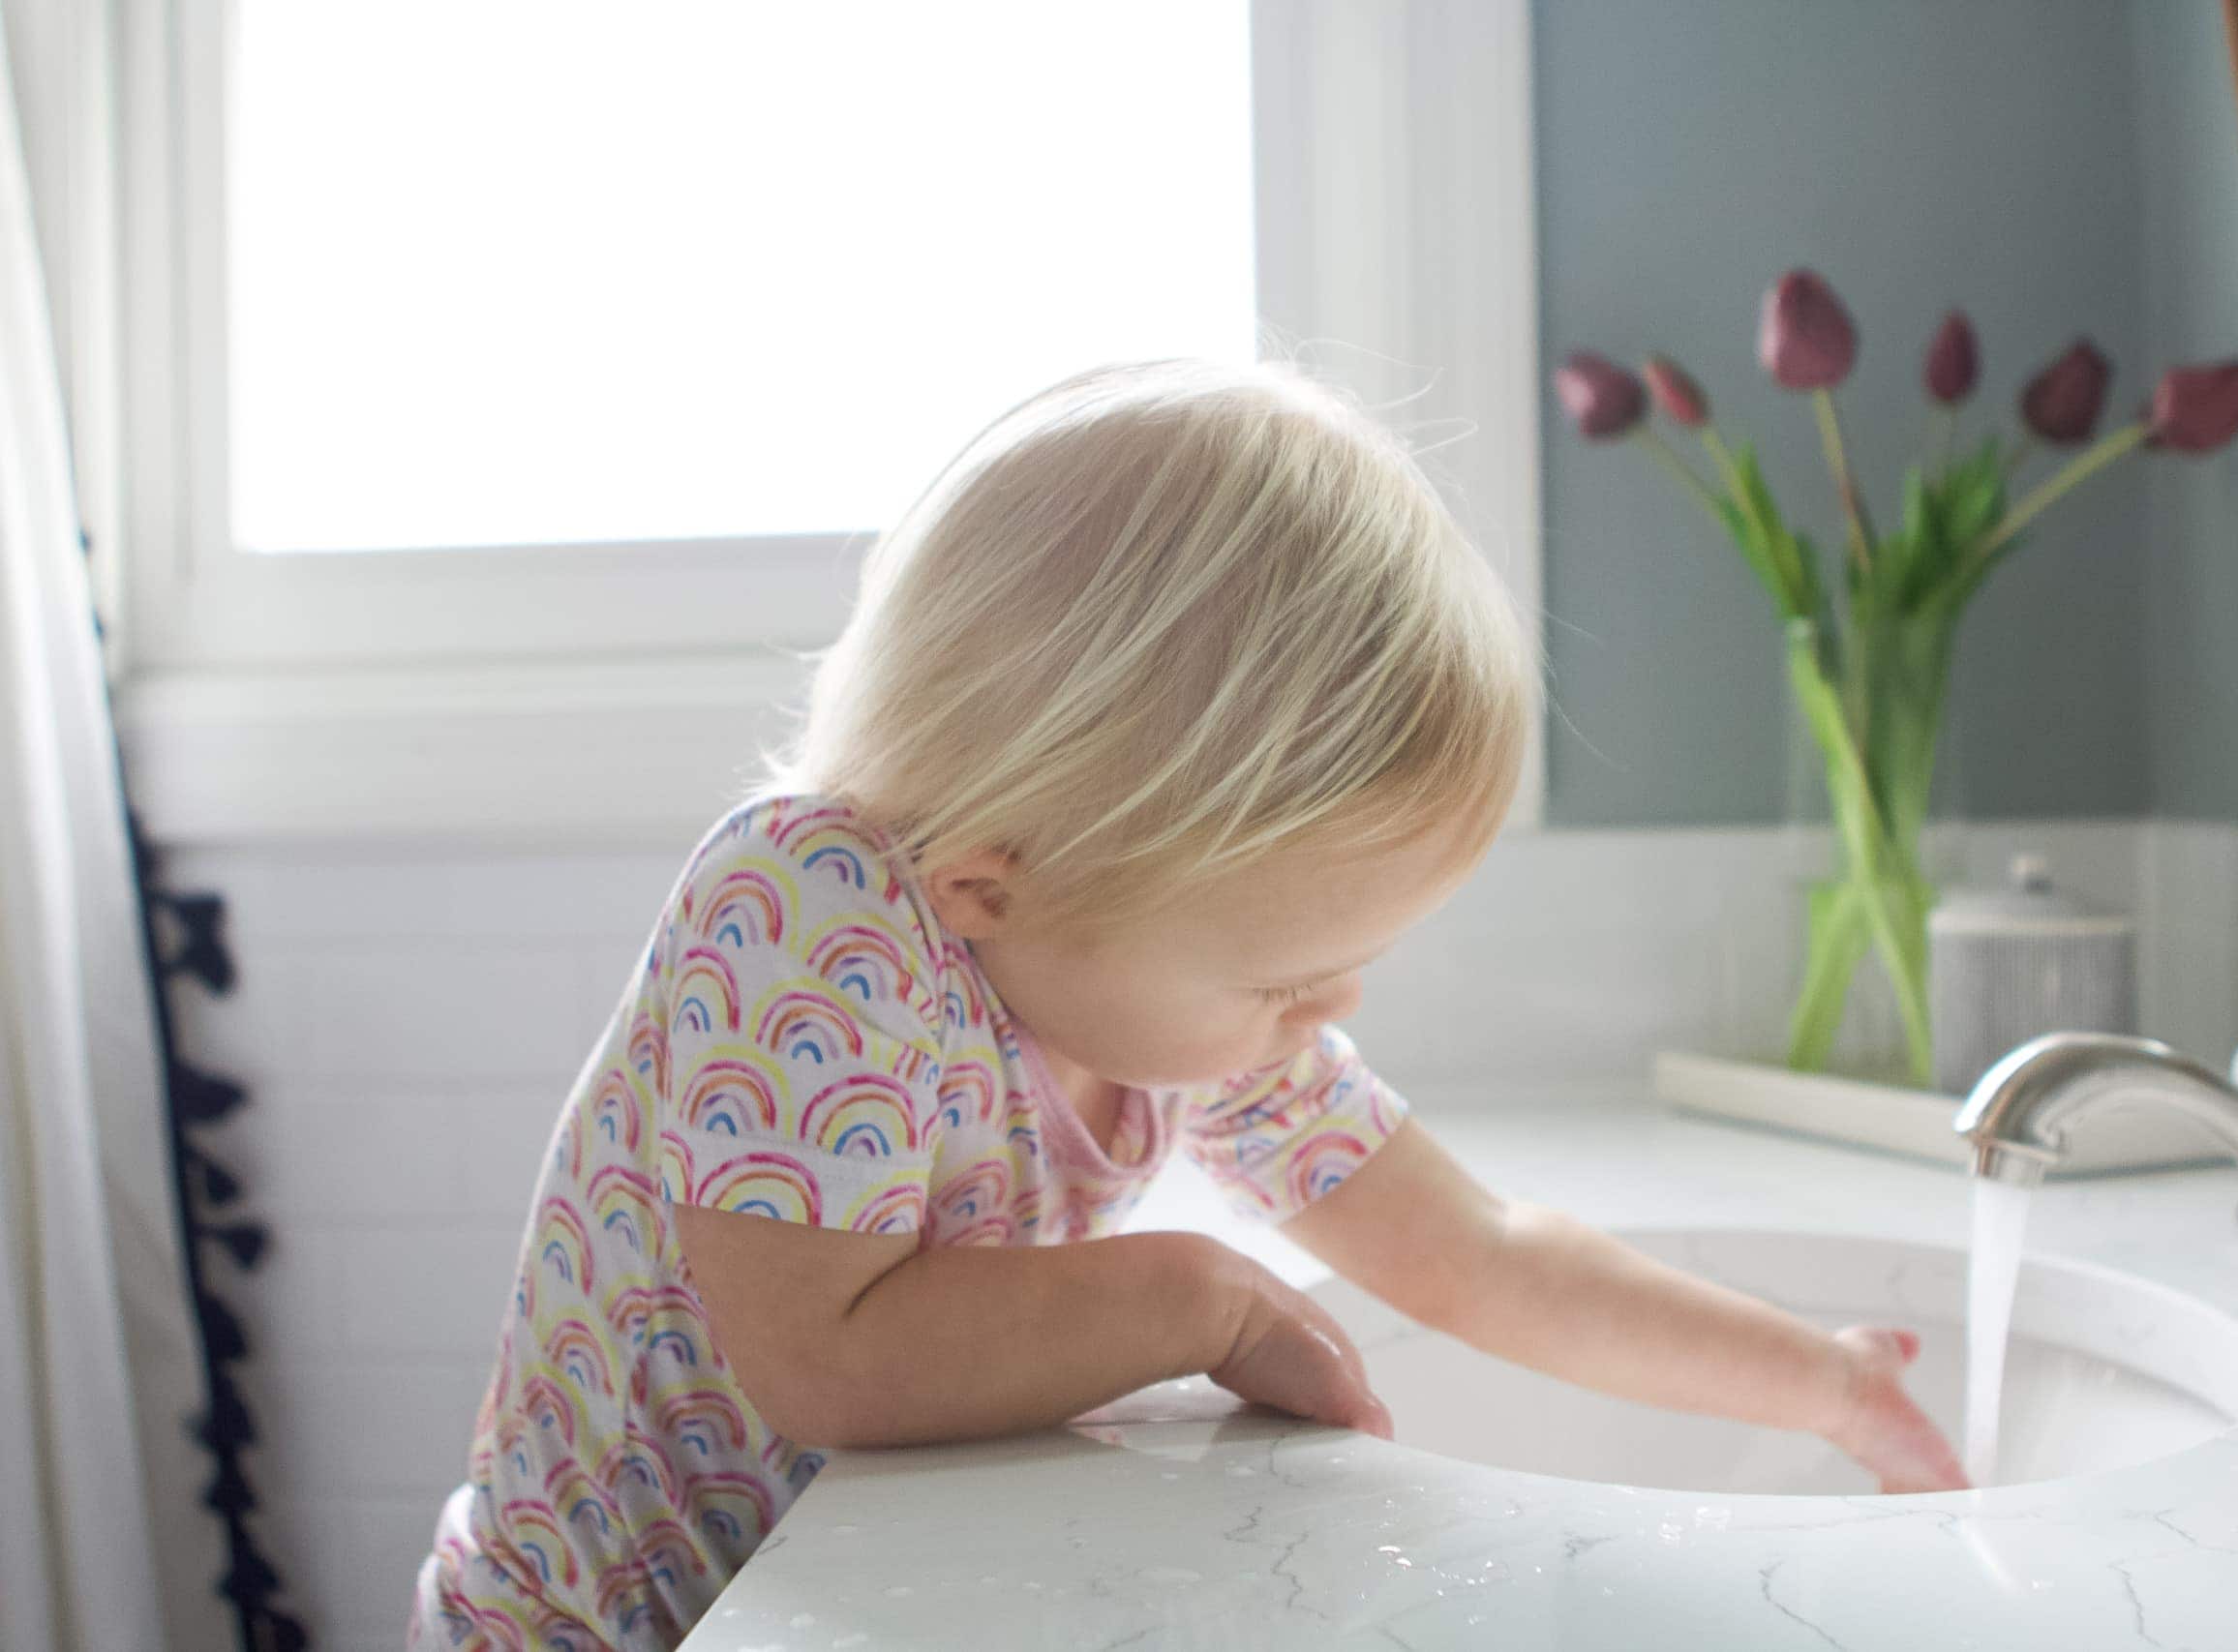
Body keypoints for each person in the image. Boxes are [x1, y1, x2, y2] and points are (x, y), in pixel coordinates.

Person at [408, 356, 1964, 1648]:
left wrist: (1821, 1380)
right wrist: (1191, 1298)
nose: (1331, 1008)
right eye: (1286, 977)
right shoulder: (814, 906)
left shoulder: (1143, 989)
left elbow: (1483, 1259)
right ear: (992, 885)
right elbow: (830, 1361)